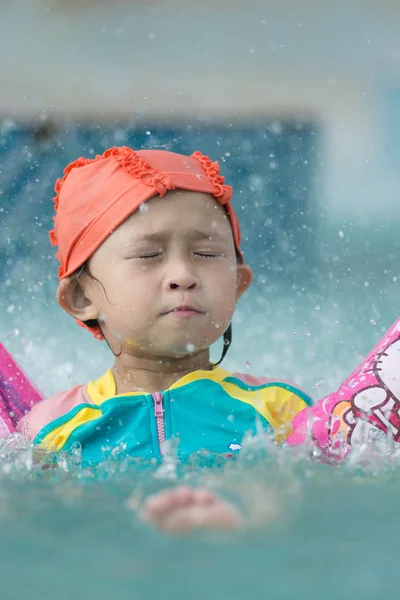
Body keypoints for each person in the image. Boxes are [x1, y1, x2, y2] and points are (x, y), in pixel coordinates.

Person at [18, 146, 313, 533]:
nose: (182, 275)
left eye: (207, 253)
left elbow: (313, 509)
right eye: (148, 255)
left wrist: (249, 516)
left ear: (237, 285)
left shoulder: (283, 410)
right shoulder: (48, 428)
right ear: (81, 298)